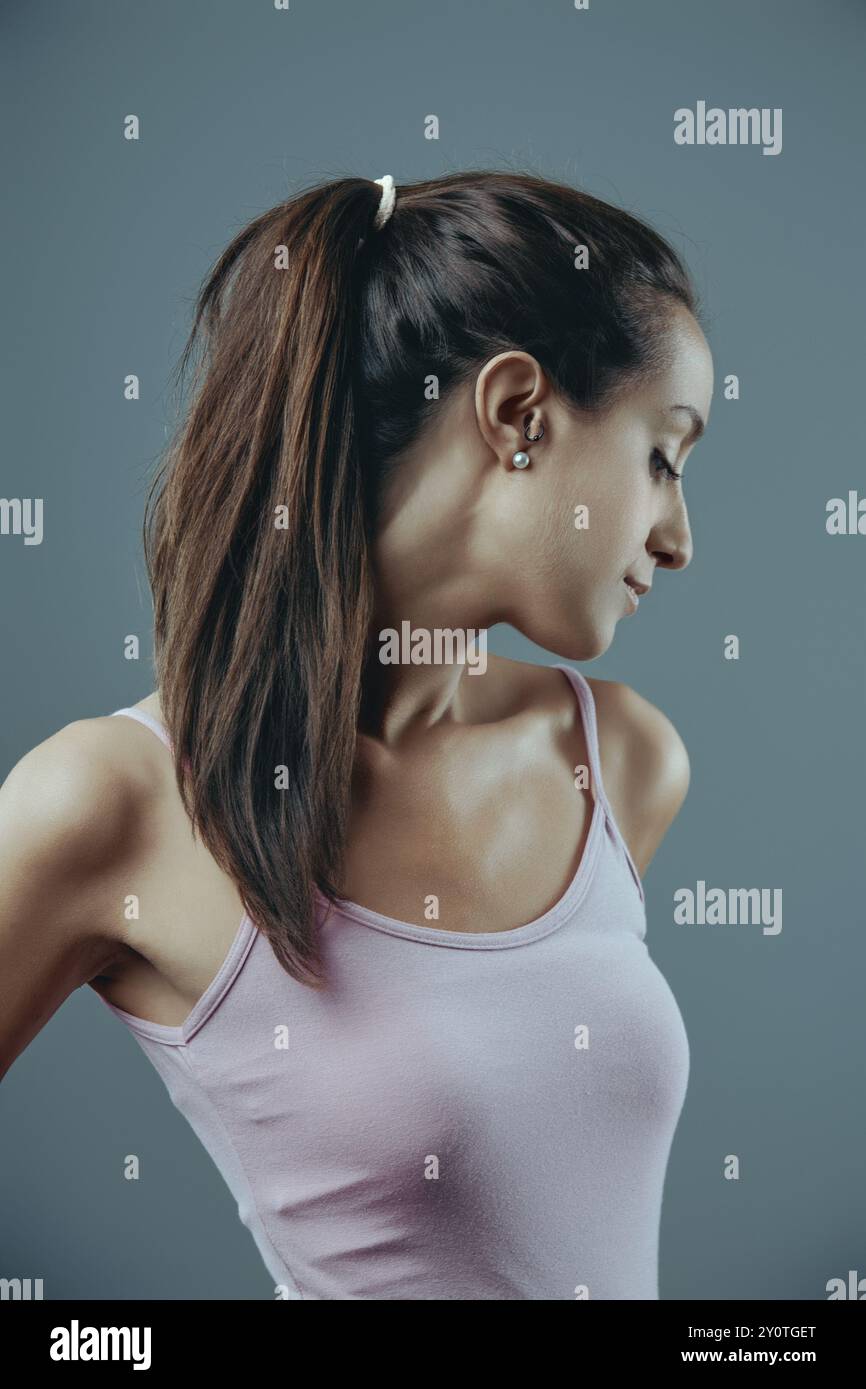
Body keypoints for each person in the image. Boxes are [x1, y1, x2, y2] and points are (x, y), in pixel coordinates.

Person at [0, 170, 713, 1299]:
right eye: (663, 455)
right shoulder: (113, 803)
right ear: (517, 411)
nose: (677, 537)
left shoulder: (619, 762)